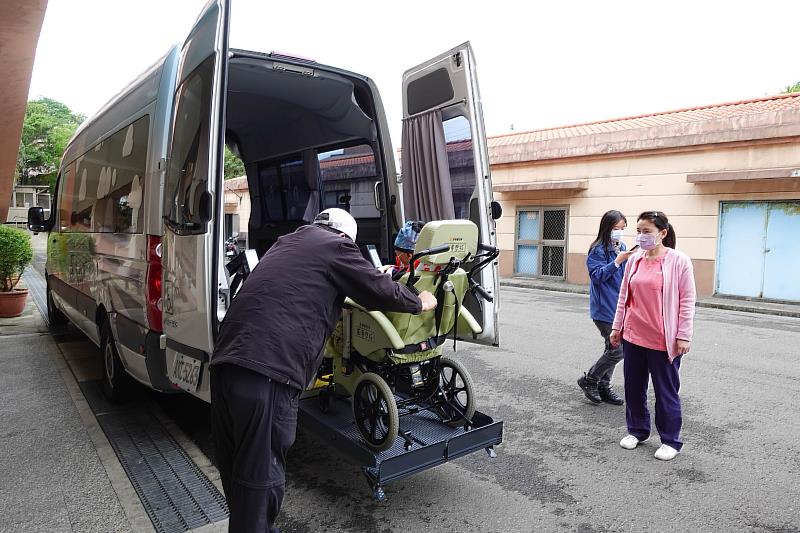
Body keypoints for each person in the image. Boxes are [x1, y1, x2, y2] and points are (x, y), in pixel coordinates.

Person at [209, 208, 437, 532]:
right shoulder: (337, 247)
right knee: (259, 484)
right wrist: (419, 300)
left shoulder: (287, 243)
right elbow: (376, 288)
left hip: (226, 363)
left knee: (239, 478)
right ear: (346, 238)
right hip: (269, 372)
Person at [609, 211, 696, 461]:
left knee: (665, 391)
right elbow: (624, 297)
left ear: (663, 233)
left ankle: (671, 440)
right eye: (639, 231)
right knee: (633, 388)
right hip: (634, 336)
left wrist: (684, 335)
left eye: (647, 231)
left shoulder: (679, 261)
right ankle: (637, 430)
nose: (641, 236)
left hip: (663, 340)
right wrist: (618, 327)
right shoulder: (635, 260)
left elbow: (688, 300)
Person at [577, 210, 635, 405]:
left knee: (611, 348)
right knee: (618, 350)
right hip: (603, 309)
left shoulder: (623, 247)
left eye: (622, 228)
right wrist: (617, 261)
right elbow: (597, 277)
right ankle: (590, 380)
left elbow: (626, 278)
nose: (619, 232)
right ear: (606, 228)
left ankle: (603, 386)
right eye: (615, 228)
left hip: (620, 308)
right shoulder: (598, 250)